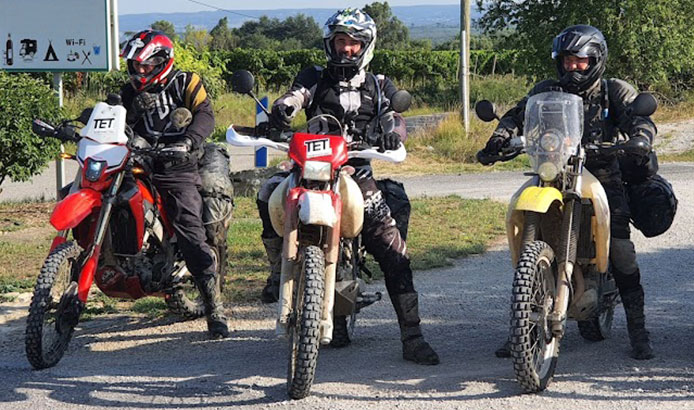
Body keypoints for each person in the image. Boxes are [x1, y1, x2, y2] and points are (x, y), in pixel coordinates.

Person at [257, 8, 439, 365]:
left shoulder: (379, 84)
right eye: (341, 41)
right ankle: (278, 266)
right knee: (268, 195)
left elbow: (394, 116)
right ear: (331, 43)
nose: (347, 49)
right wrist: (282, 109)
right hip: (310, 169)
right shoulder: (314, 76)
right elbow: (295, 97)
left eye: (354, 43)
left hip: (356, 172)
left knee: (392, 248)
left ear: (365, 46)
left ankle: (412, 335)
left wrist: (393, 132)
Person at [480, 25, 657, 360]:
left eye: (581, 61)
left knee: (620, 250)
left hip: (603, 174)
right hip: (552, 173)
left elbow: (640, 117)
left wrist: (641, 138)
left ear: (595, 61)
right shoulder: (546, 90)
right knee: (529, 238)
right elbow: (518, 114)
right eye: (567, 61)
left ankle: (638, 330)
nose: (573, 67)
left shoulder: (612, 91)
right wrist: (500, 137)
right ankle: (524, 327)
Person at [120, 29, 228, 338]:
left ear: (161, 62)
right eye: (135, 66)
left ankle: (213, 305)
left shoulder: (186, 81)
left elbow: (205, 114)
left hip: (176, 164)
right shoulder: (128, 91)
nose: (139, 71)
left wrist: (188, 140)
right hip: (139, 161)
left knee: (189, 227)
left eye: (145, 66)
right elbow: (115, 119)